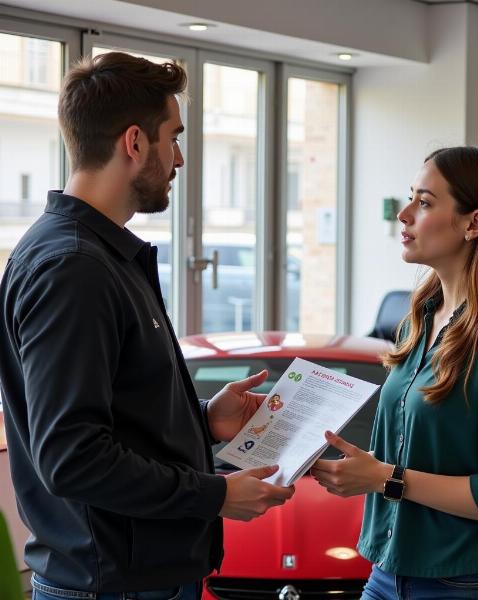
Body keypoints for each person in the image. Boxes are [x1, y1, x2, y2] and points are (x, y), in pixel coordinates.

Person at [0, 52, 294, 600]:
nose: (179, 157)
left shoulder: (97, 256)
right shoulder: (74, 267)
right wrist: (214, 496)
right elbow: (73, 457)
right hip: (111, 586)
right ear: (135, 143)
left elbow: (115, 416)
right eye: (173, 137)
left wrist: (204, 420)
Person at [311, 146, 478, 599]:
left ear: (473, 223)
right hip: (389, 572)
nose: (405, 214)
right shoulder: (421, 318)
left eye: (426, 202)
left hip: (473, 583)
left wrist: (385, 478)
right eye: (410, 198)